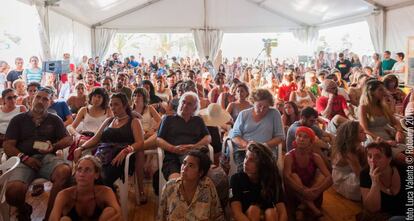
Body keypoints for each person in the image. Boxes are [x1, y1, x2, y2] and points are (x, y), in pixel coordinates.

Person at [3, 87, 73, 220]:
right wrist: (25, 158)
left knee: (64, 171)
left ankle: (50, 217)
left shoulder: (54, 119)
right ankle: (24, 211)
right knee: (13, 192)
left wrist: (53, 147)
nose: (41, 101)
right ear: (31, 99)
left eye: (45, 99)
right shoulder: (18, 119)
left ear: (50, 102)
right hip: (23, 159)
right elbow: (7, 145)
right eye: (38, 97)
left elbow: (69, 139)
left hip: (47, 158)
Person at [74, 93, 144, 190]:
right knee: (83, 175)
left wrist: (126, 150)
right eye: (111, 105)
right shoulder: (109, 121)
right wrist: (81, 148)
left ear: (124, 105)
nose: (113, 108)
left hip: (121, 157)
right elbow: (96, 138)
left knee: (101, 177)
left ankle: (107, 199)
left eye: (116, 104)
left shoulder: (134, 121)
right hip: (103, 155)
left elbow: (140, 143)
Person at [157, 91, 211, 180]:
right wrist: (173, 149)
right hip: (173, 157)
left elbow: (208, 137)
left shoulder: (198, 120)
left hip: (195, 156)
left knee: (211, 177)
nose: (185, 105)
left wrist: (195, 146)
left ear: (194, 108)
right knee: (177, 182)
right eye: (183, 102)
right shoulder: (168, 119)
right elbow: (158, 140)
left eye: (189, 104)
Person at [49, 155, 122, 221]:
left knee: (110, 211)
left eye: (87, 170)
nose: (82, 174)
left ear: (96, 175)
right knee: (65, 220)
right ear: (75, 174)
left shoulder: (105, 191)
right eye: (79, 169)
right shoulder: (64, 195)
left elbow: (120, 215)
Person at [158, 150, 224, 221]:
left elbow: (217, 216)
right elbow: (161, 217)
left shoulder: (207, 186)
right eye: (184, 163)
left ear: (200, 173)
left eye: (190, 166)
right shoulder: (169, 187)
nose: (184, 168)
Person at [283, 127, 333, 219]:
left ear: (311, 141)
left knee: (322, 175)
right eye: (299, 136)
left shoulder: (315, 156)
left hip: (313, 194)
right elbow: (286, 178)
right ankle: (312, 208)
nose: (301, 139)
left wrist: (316, 191)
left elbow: (330, 178)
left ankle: (302, 207)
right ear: (295, 138)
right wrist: (303, 191)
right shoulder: (289, 156)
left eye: (305, 137)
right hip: (295, 192)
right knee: (293, 176)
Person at [230, 142, 287, 221]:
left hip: (268, 216)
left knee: (271, 212)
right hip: (245, 217)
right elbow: (236, 213)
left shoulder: (273, 178)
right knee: (253, 210)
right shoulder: (236, 179)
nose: (245, 162)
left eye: (252, 160)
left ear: (262, 164)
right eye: (246, 157)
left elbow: (282, 211)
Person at [230, 89, 284, 171]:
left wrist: (264, 145)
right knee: (244, 170)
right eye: (259, 106)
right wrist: (247, 145)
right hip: (244, 150)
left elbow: (280, 137)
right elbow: (234, 135)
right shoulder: (243, 114)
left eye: (265, 107)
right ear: (253, 102)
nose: (262, 109)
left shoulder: (274, 114)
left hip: (266, 151)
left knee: (265, 170)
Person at [358, 80, 405, 160]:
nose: (384, 92)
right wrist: (385, 142)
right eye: (380, 90)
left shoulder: (382, 105)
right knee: (402, 158)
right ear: (371, 92)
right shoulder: (363, 107)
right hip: (375, 138)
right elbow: (365, 130)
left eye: (383, 89)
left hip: (390, 133)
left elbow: (395, 121)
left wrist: (399, 131)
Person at [359, 142, 407, 220]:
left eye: (378, 156)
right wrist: (375, 183)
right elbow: (372, 209)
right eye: (370, 156)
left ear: (389, 159)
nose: (372, 161)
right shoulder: (365, 174)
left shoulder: (403, 170)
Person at [131, 87, 161, 203]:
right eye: (135, 95)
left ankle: (147, 161)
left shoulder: (150, 108)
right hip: (135, 138)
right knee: (139, 147)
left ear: (144, 98)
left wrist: (152, 130)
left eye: (139, 95)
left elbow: (160, 121)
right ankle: (141, 190)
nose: (136, 98)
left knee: (158, 135)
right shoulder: (129, 110)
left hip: (148, 137)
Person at [68, 88, 112, 161]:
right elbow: (71, 127)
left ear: (104, 99)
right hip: (84, 137)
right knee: (81, 142)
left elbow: (111, 128)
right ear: (91, 97)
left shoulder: (108, 111)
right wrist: (77, 135)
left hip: (99, 139)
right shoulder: (84, 110)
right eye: (94, 96)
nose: (96, 99)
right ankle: (78, 167)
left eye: (99, 97)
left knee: (92, 145)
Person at [332, 121, 367, 201]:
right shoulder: (349, 152)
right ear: (353, 136)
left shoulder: (357, 146)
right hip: (343, 180)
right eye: (361, 132)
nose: (365, 133)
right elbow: (360, 175)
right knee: (371, 179)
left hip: (351, 173)